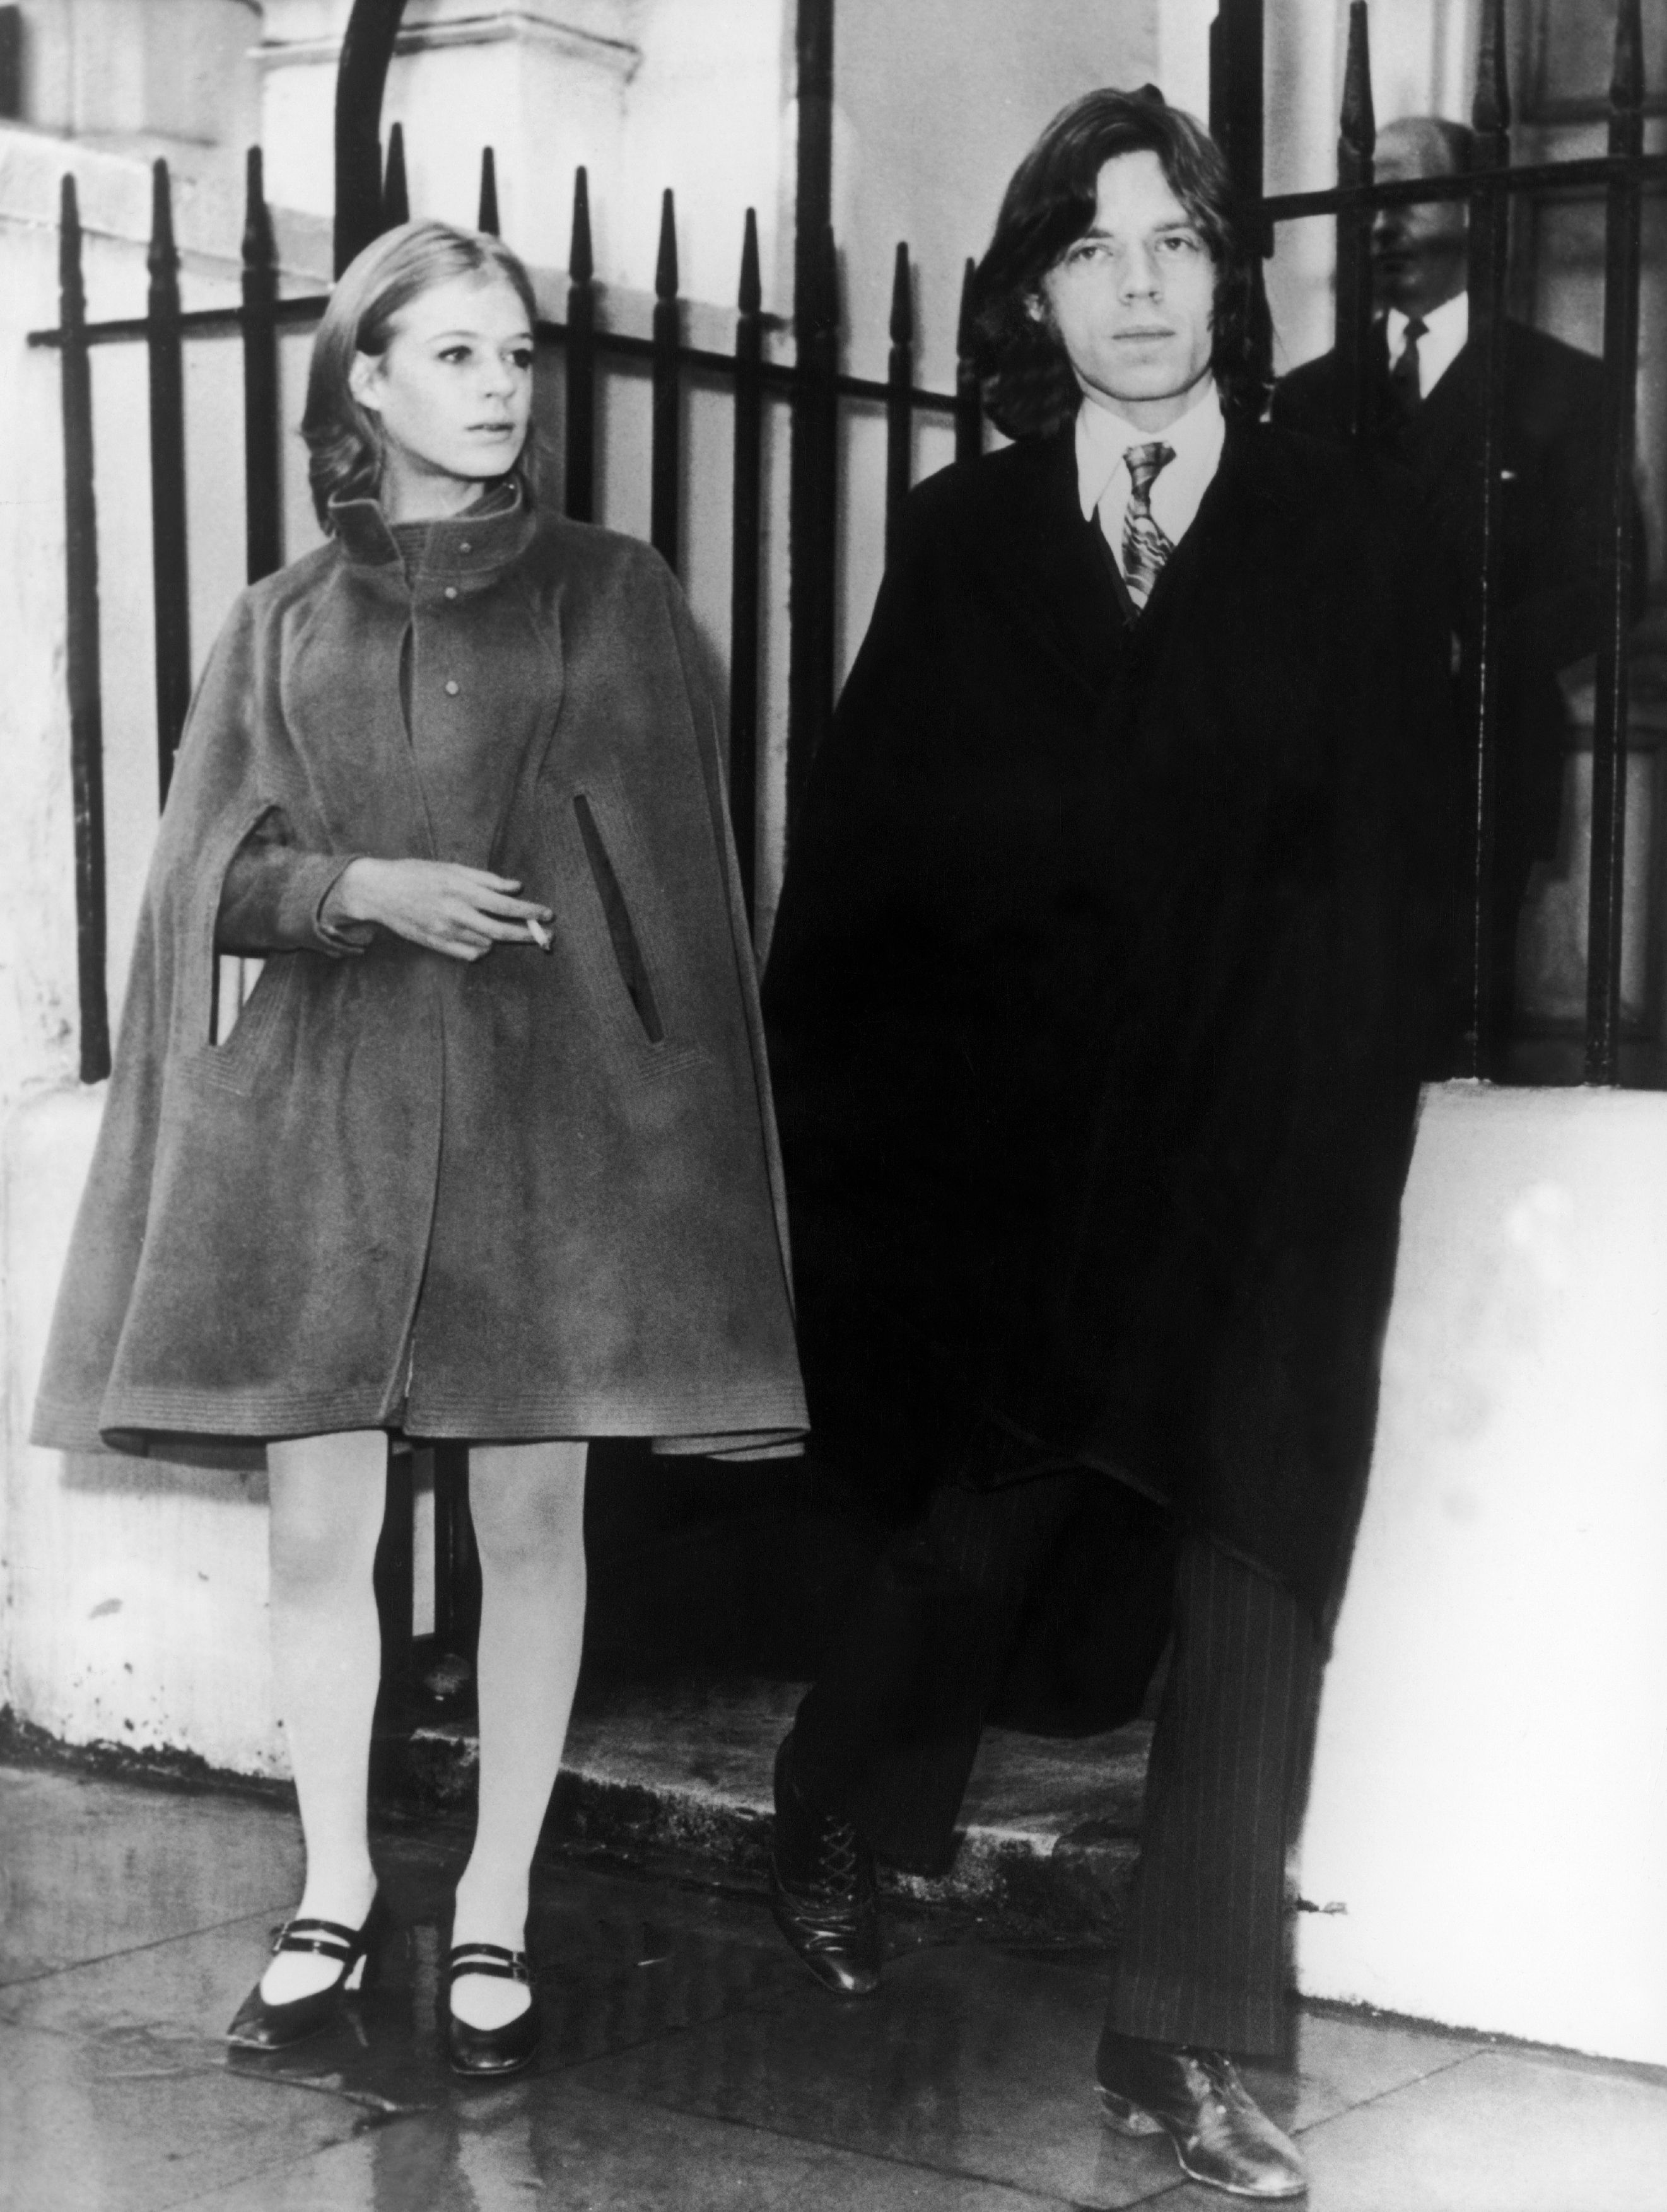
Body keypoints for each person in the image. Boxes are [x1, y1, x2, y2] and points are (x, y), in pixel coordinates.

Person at [760, 88, 1454, 2201]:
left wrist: (1324, 1124)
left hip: (1261, 1153)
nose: (1138, 290)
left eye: (1173, 245)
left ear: (1226, 272)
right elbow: (867, 870)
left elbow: (1401, 871)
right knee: (973, 1532)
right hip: (1027, 1169)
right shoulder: (963, 538)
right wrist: (875, 1147)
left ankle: (1186, 2032)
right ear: (1033, 289)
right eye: (1091, 249)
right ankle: (839, 1800)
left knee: (1256, 1553)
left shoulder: (1343, 521)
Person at [32, 221, 805, 2080]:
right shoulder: (277, 618)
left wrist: (661, 1140)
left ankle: (498, 1903)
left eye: (514, 353)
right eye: (451, 355)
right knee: (321, 1525)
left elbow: (677, 904)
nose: (497, 385)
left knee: (535, 1518)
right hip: (329, 1121)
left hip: (546, 1127)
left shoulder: (614, 592)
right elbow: (193, 883)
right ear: (362, 386)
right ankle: (329, 1887)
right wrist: (351, 884)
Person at [1272, 115, 1648, 1047]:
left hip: (1482, 772)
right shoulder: (1312, 399)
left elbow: (1613, 580)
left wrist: (1471, 647)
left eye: (1413, 197)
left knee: (1456, 1041)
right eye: (1373, 198)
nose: (1385, 225)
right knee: (1326, 1041)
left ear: (1478, 216)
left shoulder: (1566, 387)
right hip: (1329, 784)